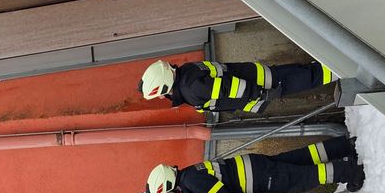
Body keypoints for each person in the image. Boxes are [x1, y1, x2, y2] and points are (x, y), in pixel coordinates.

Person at [146, 137, 364, 193]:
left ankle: (350, 172)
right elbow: (224, 187)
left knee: (300, 178)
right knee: (302, 158)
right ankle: (344, 146)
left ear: (168, 186)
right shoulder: (190, 175)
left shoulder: (192, 183)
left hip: (257, 176)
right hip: (254, 167)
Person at [138, 59, 336, 116]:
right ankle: (330, 66)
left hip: (260, 86)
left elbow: (230, 87)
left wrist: (260, 93)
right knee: (298, 71)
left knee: (304, 78)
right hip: (255, 76)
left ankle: (337, 68)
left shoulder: (191, 89)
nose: (161, 98)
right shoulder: (187, 72)